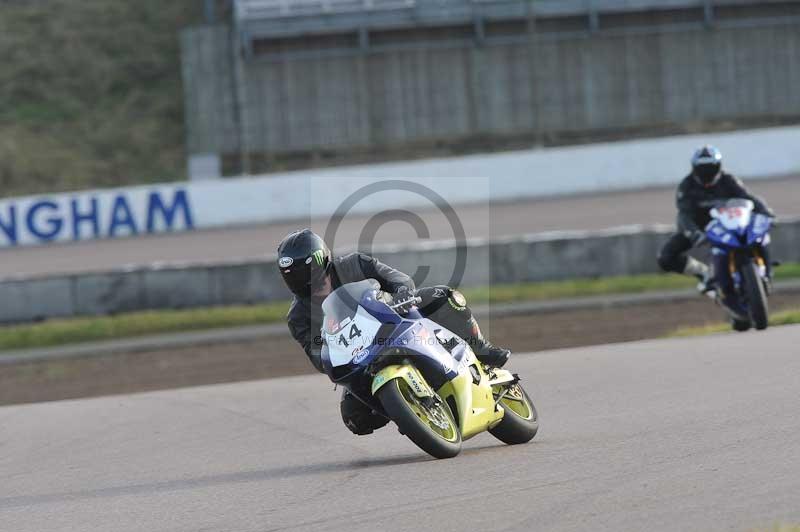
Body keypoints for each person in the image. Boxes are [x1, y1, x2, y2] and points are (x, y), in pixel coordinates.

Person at [277, 228, 511, 435]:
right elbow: (316, 354)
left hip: (395, 320)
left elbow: (398, 279)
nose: (297, 279)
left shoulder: (355, 264)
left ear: (319, 260)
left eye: (301, 270)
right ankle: (408, 407)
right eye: (290, 274)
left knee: (445, 297)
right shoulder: (298, 317)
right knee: (355, 419)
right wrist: (326, 347)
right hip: (360, 358)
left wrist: (401, 293)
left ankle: (480, 347)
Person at [657, 145, 775, 308]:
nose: (707, 172)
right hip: (700, 228)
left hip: (729, 224)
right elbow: (684, 214)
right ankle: (703, 273)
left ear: (718, 166)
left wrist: (766, 213)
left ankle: (767, 273)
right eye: (702, 168)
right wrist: (694, 233)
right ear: (694, 168)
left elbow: (748, 198)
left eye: (710, 167)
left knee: (762, 236)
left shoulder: (728, 180)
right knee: (666, 257)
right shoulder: (687, 186)